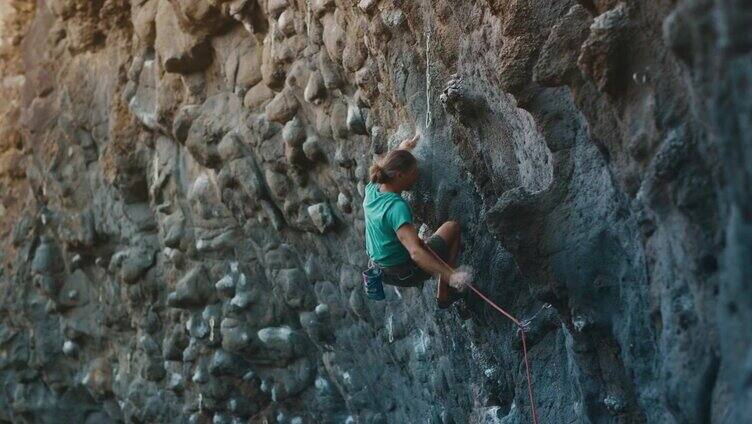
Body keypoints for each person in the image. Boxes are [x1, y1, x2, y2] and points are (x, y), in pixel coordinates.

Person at [363, 133, 470, 309]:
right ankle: (445, 292)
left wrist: (403, 148)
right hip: (404, 272)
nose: (416, 175)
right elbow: (415, 253)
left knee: (422, 242)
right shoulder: (397, 208)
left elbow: (389, 164)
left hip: (380, 269)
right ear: (399, 176)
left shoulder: (372, 189)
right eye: (413, 173)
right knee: (452, 227)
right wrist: (451, 276)